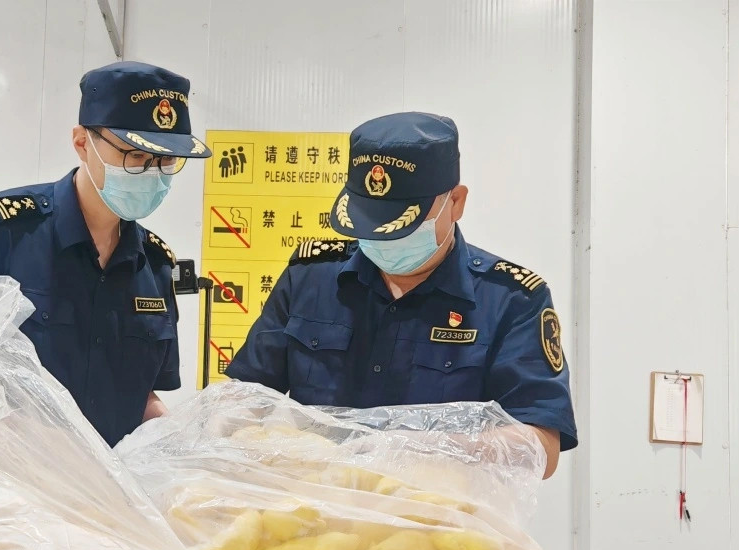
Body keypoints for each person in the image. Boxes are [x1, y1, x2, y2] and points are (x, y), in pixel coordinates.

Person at [225, 112, 577, 478]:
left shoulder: (510, 299)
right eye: (370, 222)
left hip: (441, 510)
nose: (384, 238)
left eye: (400, 224)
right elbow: (246, 397)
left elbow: (541, 448)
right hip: (313, 502)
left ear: (456, 202)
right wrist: (222, 435)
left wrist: (420, 449)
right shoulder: (310, 278)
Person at [0, 61, 211, 446]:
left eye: (167, 161)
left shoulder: (154, 264)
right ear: (82, 142)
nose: (154, 174)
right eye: (135, 156)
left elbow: (141, 397)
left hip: (108, 480)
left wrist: (182, 442)